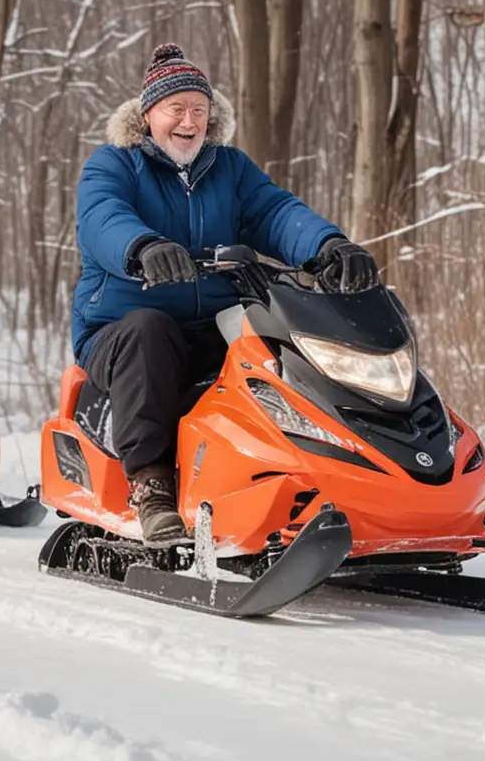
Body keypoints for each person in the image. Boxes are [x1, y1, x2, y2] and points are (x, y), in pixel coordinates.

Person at [72, 43, 380, 542]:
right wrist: (145, 247)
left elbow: (276, 213)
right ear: (149, 114)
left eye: (198, 109)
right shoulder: (114, 164)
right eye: (176, 109)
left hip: (212, 323)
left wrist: (329, 245)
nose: (188, 121)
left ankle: (319, 477)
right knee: (151, 331)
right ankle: (150, 486)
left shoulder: (229, 168)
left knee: (283, 338)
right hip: (120, 331)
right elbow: (102, 219)